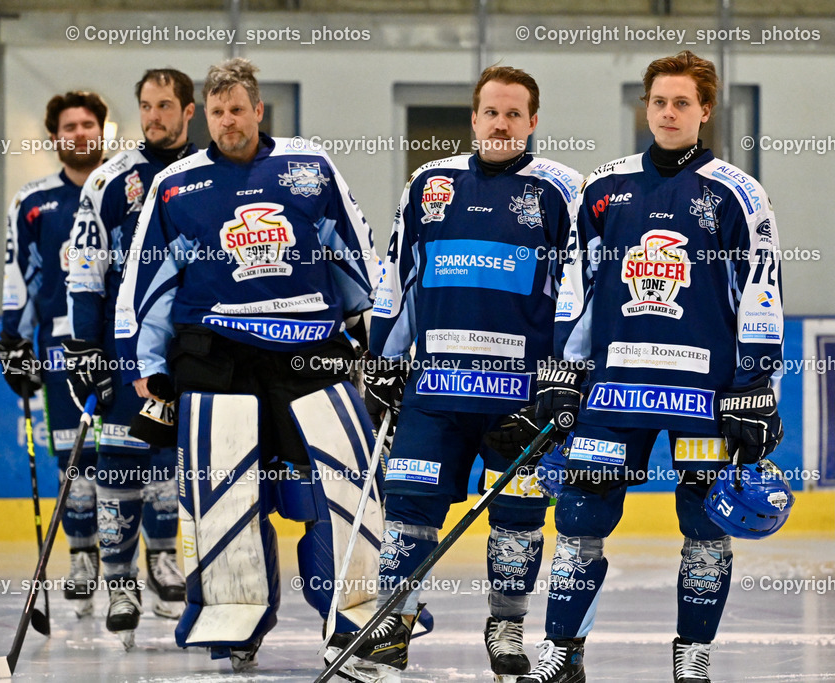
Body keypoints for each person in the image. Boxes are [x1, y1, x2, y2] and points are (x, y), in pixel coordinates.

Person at [521, 51, 784, 683]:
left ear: (705, 110)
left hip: (706, 395)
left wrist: (757, 387)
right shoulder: (604, 188)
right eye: (659, 102)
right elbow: (575, 288)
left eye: (682, 103)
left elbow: (762, 292)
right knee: (580, 515)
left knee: (704, 521)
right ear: (646, 107)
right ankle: (564, 652)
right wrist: (564, 370)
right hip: (616, 391)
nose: (669, 113)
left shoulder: (738, 193)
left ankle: (692, 656)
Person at [114, 57, 383, 672]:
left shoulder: (309, 166)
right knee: (223, 497)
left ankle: (359, 614)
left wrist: (375, 326)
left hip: (308, 351)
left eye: (238, 109)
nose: (228, 121)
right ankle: (232, 621)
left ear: (259, 110)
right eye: (217, 112)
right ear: (203, 116)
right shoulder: (177, 185)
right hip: (215, 360)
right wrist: (146, 360)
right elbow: (149, 280)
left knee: (347, 482)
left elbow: (353, 248)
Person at [328, 66, 583, 683]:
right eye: (491, 112)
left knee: (519, 515)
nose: (501, 123)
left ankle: (507, 625)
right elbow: (400, 275)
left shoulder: (563, 190)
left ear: (533, 122)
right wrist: (385, 358)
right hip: (436, 388)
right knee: (410, 510)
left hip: (519, 392)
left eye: (514, 114)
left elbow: (577, 291)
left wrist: (560, 378)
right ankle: (393, 622)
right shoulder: (429, 183)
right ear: (473, 119)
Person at [64, 69, 197, 649]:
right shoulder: (110, 179)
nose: (153, 117)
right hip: (124, 354)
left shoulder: (207, 175)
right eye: (145, 106)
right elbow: (86, 272)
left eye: (165, 106)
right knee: (118, 467)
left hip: (192, 351)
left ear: (188, 111)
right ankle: (119, 580)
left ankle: (166, 562)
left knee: (172, 467)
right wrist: (84, 347)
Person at [0, 91, 107, 616]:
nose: (81, 133)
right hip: (61, 346)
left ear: (103, 129)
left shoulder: (130, 188)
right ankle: (83, 555)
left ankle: (150, 560)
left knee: (139, 456)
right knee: (73, 457)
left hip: (122, 345)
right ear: (54, 135)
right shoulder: (34, 200)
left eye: (89, 123)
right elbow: (19, 273)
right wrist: (13, 341)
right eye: (70, 125)